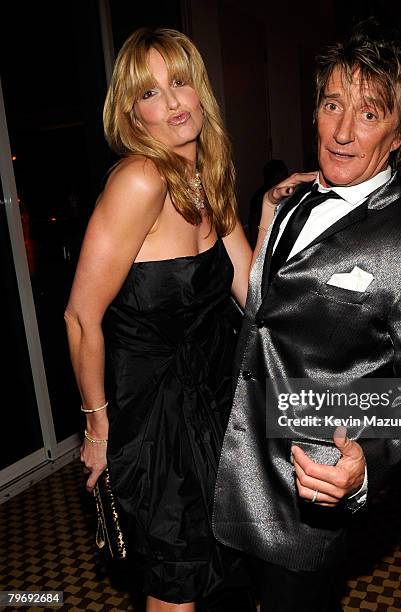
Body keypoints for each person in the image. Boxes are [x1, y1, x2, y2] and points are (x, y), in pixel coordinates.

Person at [212, 22, 401, 612]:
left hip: (308, 495)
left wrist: (367, 469)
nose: (344, 132)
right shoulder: (287, 201)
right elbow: (263, 320)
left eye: (370, 114)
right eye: (332, 105)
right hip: (225, 469)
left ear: (400, 134)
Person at [64, 27, 260, 611]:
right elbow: (79, 317)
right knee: (175, 587)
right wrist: (97, 430)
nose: (172, 102)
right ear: (133, 114)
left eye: (179, 82)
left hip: (212, 400)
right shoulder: (140, 180)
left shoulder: (210, 174)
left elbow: (248, 285)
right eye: (151, 93)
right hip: (155, 420)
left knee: (224, 568)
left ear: (199, 89)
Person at [247, 160, 289, 248]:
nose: (283, 179)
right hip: (266, 243)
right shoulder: (260, 197)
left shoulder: (289, 193)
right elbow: (253, 226)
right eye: (279, 176)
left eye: (284, 175)